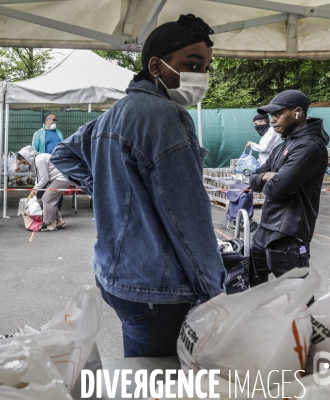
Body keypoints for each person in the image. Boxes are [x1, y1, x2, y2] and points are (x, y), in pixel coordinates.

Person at [50, 14, 226, 357]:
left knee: (141, 373)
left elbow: (63, 152)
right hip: (159, 287)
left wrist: (102, 187)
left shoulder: (117, 112)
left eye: (205, 67)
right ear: (156, 67)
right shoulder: (167, 117)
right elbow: (187, 219)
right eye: (191, 64)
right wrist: (214, 290)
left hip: (118, 276)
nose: (200, 77)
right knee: (161, 382)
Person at [249, 90, 329, 284]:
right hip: (265, 229)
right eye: (271, 116)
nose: (273, 120)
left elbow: (276, 189)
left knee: (298, 300)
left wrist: (268, 180)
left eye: (278, 114)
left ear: (297, 112)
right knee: (252, 287)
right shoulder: (283, 145)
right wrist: (266, 176)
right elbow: (252, 180)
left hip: (288, 236)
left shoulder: (310, 147)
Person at [16, 146, 69, 231]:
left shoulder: (39, 160)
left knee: (47, 199)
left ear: (27, 157)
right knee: (50, 200)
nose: (25, 164)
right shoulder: (38, 158)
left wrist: (35, 189)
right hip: (59, 178)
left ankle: (52, 224)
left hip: (61, 178)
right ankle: (59, 221)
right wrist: (35, 189)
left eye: (24, 162)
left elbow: (44, 178)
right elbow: (39, 178)